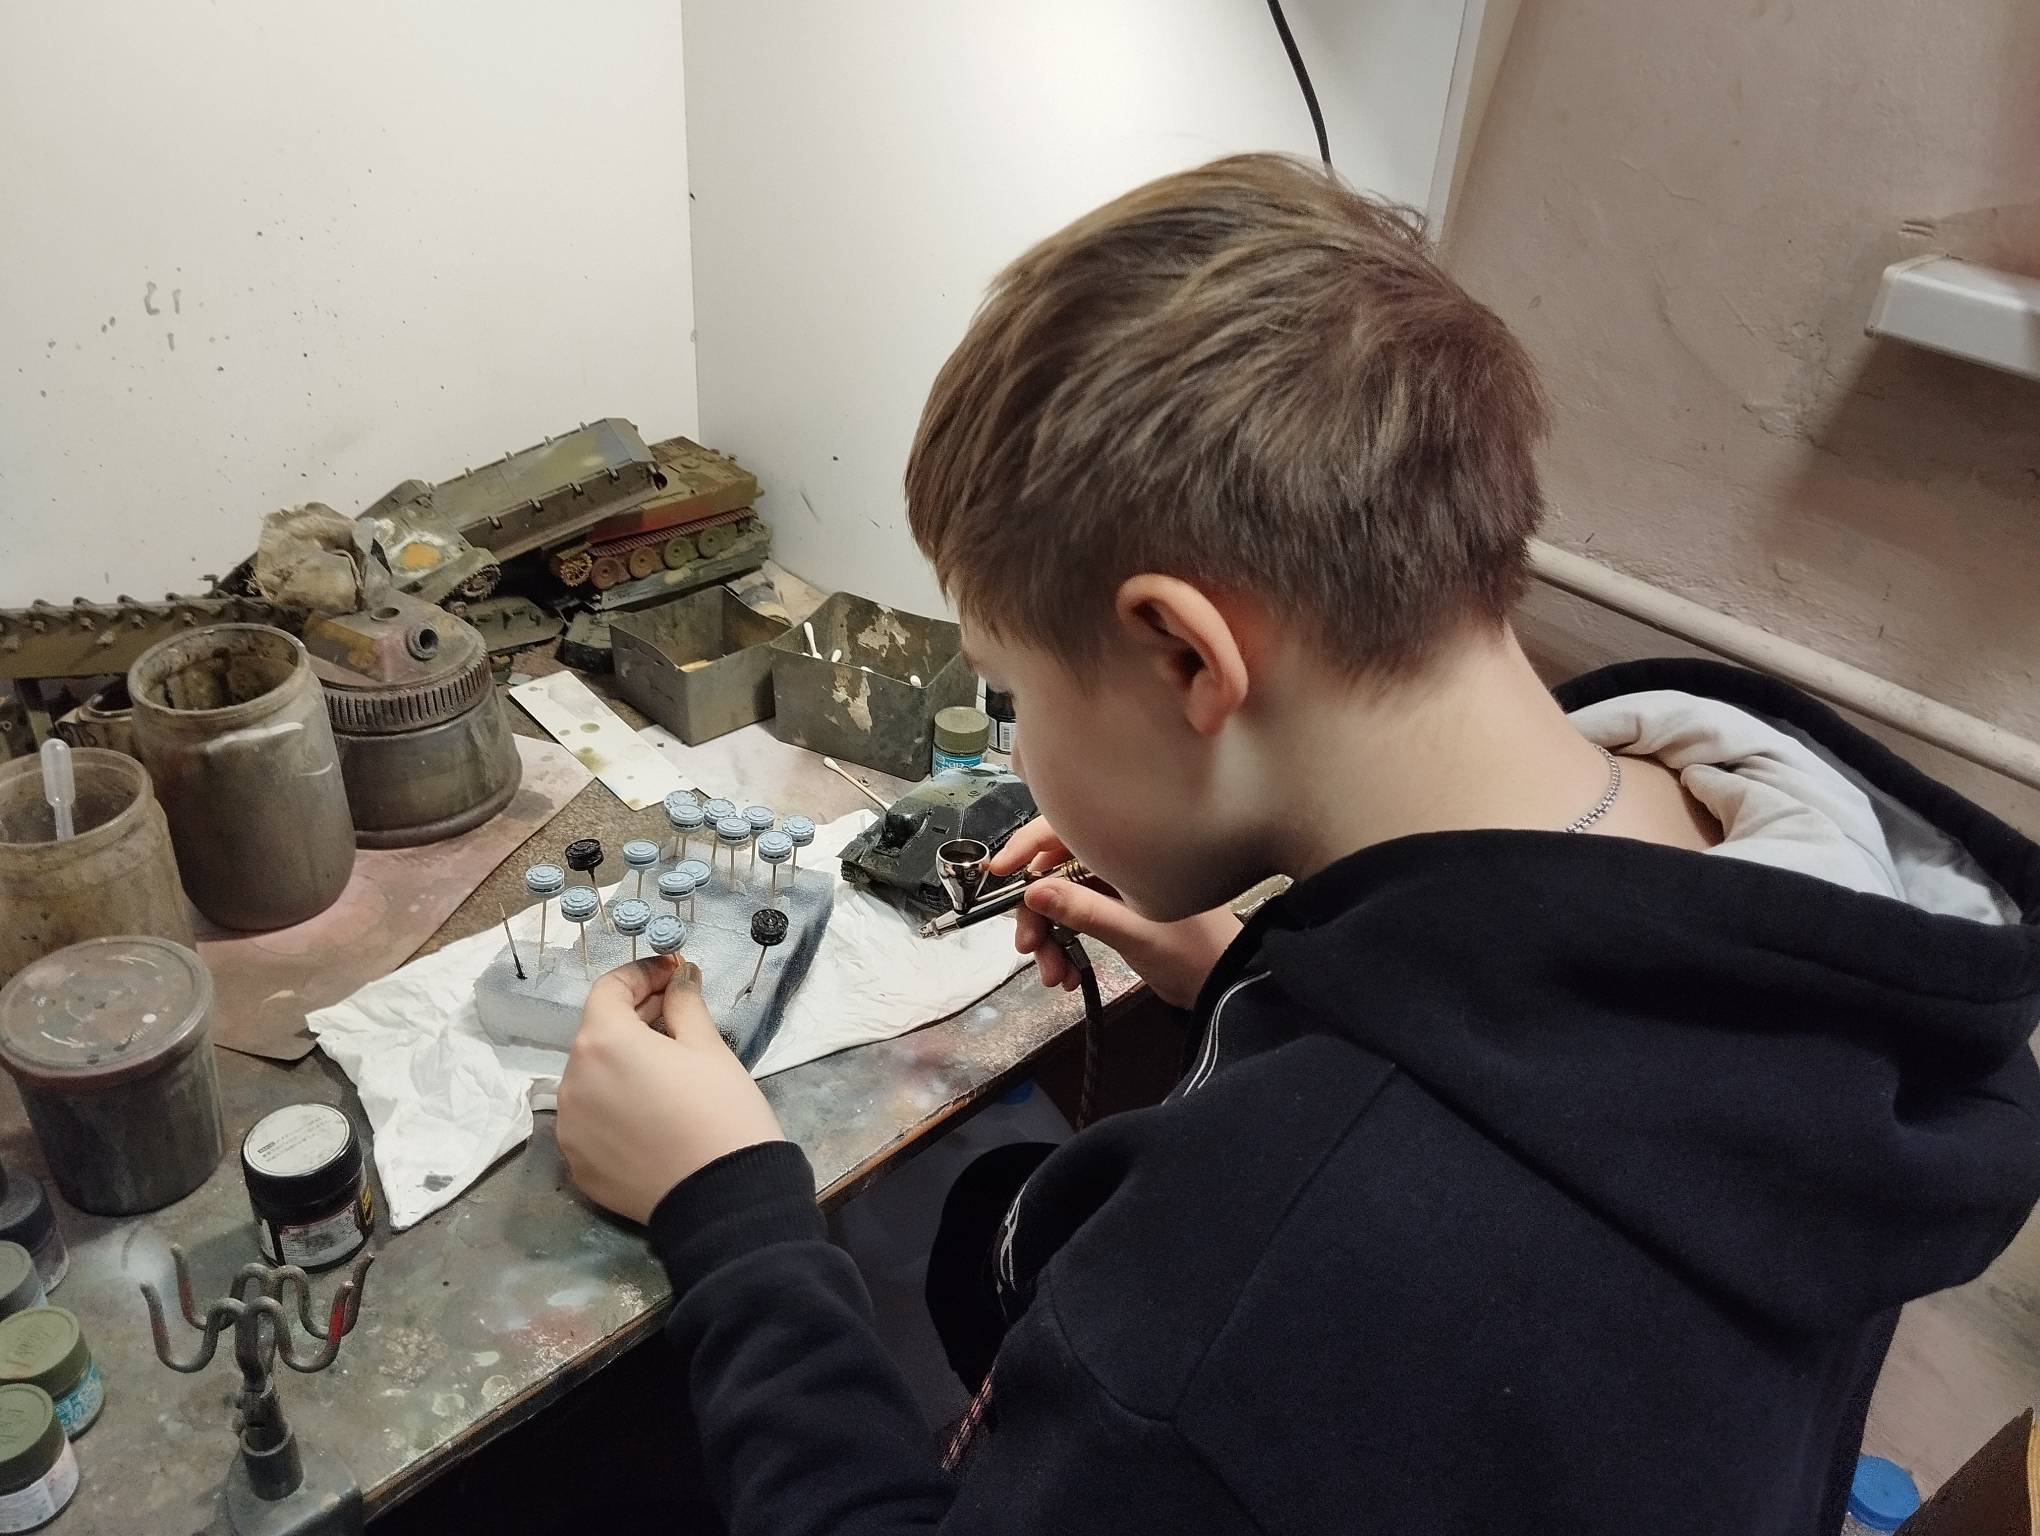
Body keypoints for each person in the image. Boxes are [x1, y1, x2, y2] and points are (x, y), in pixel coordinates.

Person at [556, 154, 2040, 1534]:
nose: (1024, 754)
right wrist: (1273, 975)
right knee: (979, 1234)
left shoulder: (1249, 1304)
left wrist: (733, 1215)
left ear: (1186, 660)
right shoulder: (1803, 902)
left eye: (1017, 698)